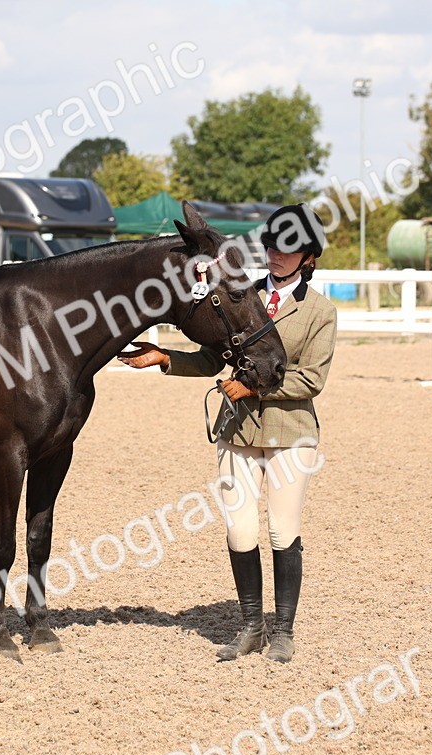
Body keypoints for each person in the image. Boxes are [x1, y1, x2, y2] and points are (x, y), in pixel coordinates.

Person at [120, 204, 336, 664]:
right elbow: (212, 357)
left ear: (309, 258)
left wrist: (252, 386)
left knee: (282, 529)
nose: (276, 254)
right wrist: (165, 358)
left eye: (288, 249)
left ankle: (283, 631)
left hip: (291, 433)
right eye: (272, 245)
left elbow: (312, 379)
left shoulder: (319, 311)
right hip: (237, 428)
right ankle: (251, 627)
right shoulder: (245, 295)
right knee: (240, 530)